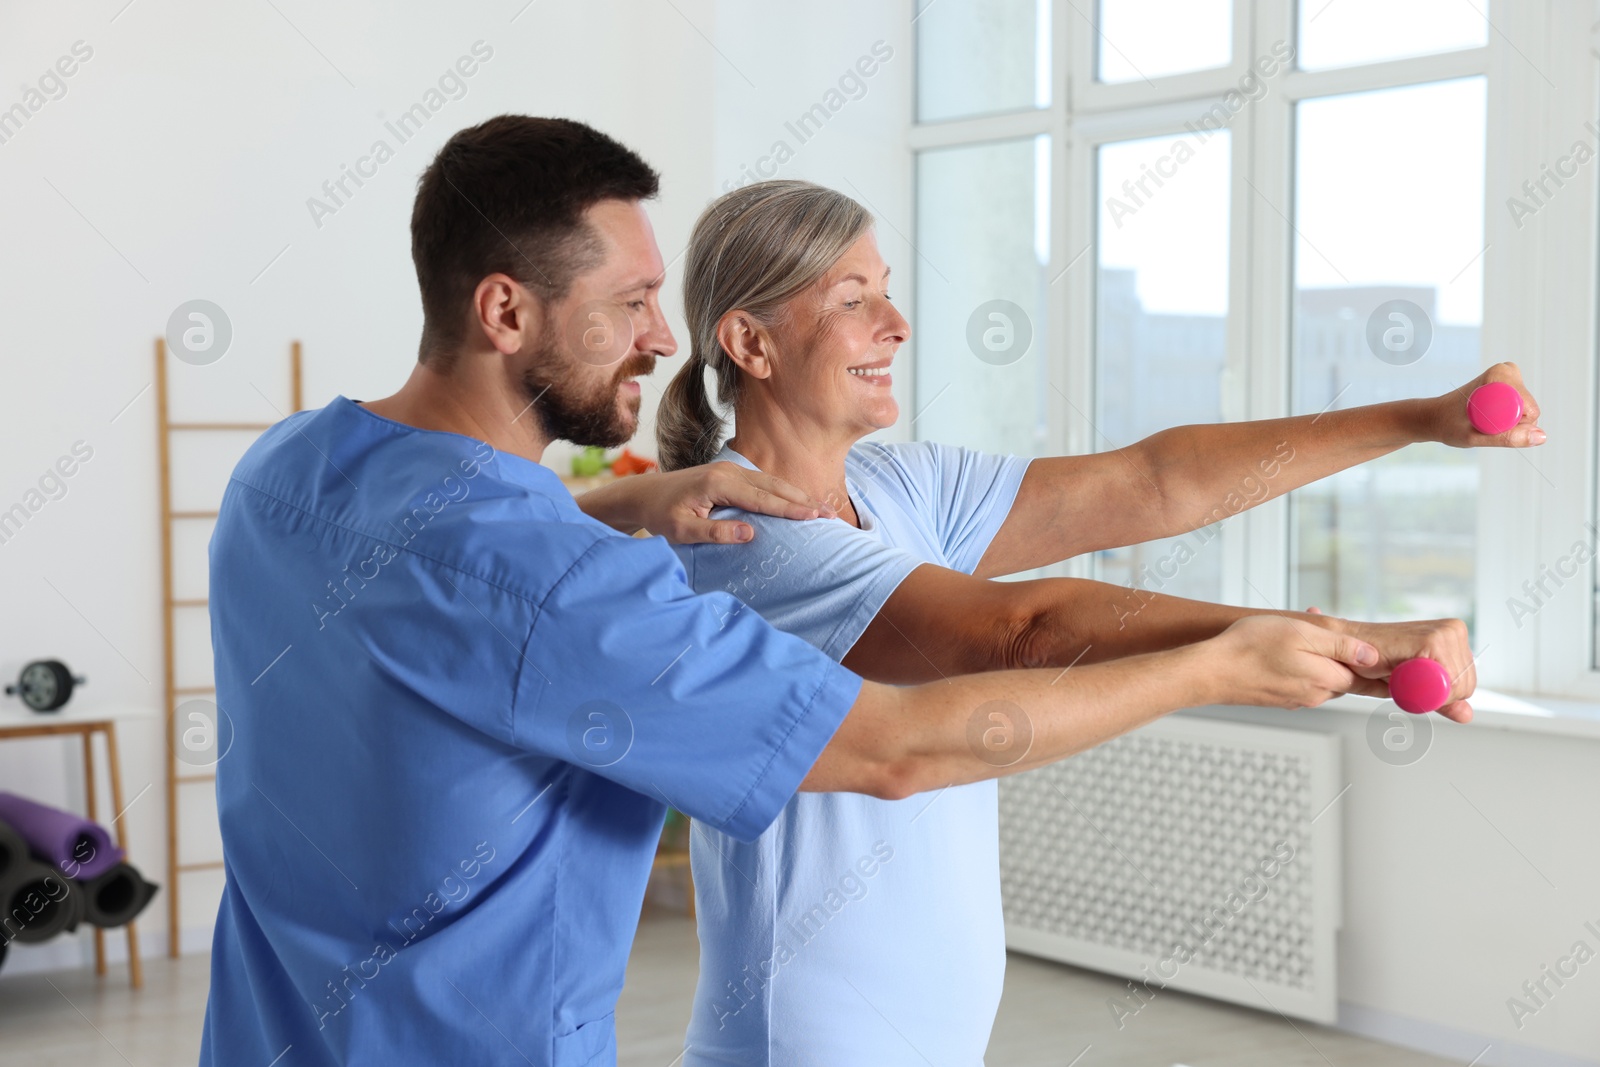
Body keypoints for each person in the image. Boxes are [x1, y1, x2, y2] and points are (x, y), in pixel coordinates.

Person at [197, 117, 1439, 1067]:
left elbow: (462, 564)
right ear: (507, 308)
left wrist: (615, 499)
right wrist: (1221, 663)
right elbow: (901, 741)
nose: (653, 334)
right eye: (631, 303)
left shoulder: (289, 470)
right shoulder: (586, 581)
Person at [658, 180, 1530, 1065]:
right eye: (852, 300)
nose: (896, 323)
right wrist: (1345, 640)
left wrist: (1422, 418)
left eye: (886, 289)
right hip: (804, 1042)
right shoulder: (739, 539)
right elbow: (1024, 631)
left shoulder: (897, 486)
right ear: (750, 342)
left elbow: (1154, 481)